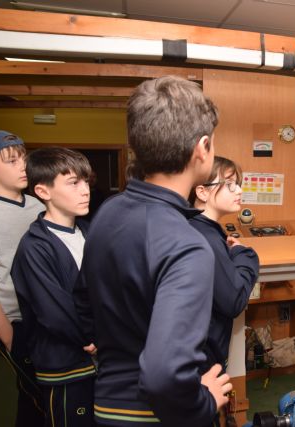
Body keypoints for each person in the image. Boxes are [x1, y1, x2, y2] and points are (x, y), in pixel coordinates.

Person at [77, 75, 232, 427]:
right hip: (154, 416)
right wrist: (204, 403)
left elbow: (83, 302)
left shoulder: (108, 212)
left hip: (106, 404)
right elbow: (164, 376)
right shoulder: (188, 245)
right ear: (202, 148)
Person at [11, 147, 97, 427]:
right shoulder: (34, 247)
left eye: (86, 181)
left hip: (100, 364)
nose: (85, 190)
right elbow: (54, 312)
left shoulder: (90, 232)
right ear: (43, 192)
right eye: (73, 183)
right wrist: (92, 339)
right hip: (65, 366)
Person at [0, 130, 45, 426]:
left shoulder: (39, 206)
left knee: (44, 402)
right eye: (11, 161)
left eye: (24, 159)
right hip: (10, 325)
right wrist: (9, 339)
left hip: (42, 320)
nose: (23, 166)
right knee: (24, 401)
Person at [189, 156, 259, 370]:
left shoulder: (196, 226)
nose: (239, 191)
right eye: (229, 185)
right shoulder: (207, 238)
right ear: (202, 192)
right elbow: (234, 301)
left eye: (238, 184)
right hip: (204, 360)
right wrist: (245, 255)